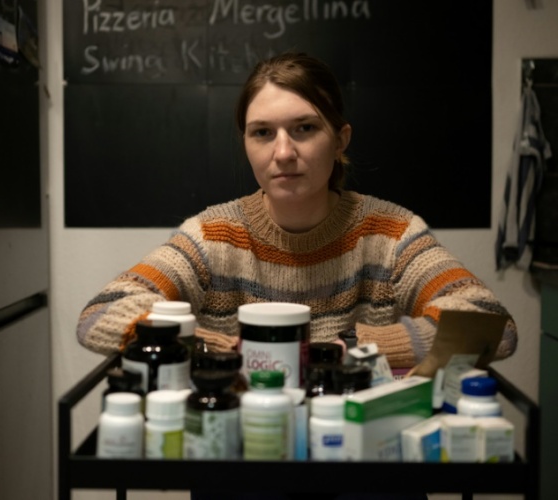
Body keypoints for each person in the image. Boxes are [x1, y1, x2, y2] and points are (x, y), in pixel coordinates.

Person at [76, 52, 517, 499]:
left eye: (304, 128)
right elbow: (102, 313)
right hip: (247, 466)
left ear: (340, 139)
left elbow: (488, 323)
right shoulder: (214, 235)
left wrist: (350, 348)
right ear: (245, 143)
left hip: (367, 471)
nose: (283, 152)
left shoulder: (390, 232)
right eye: (262, 133)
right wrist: (213, 345)